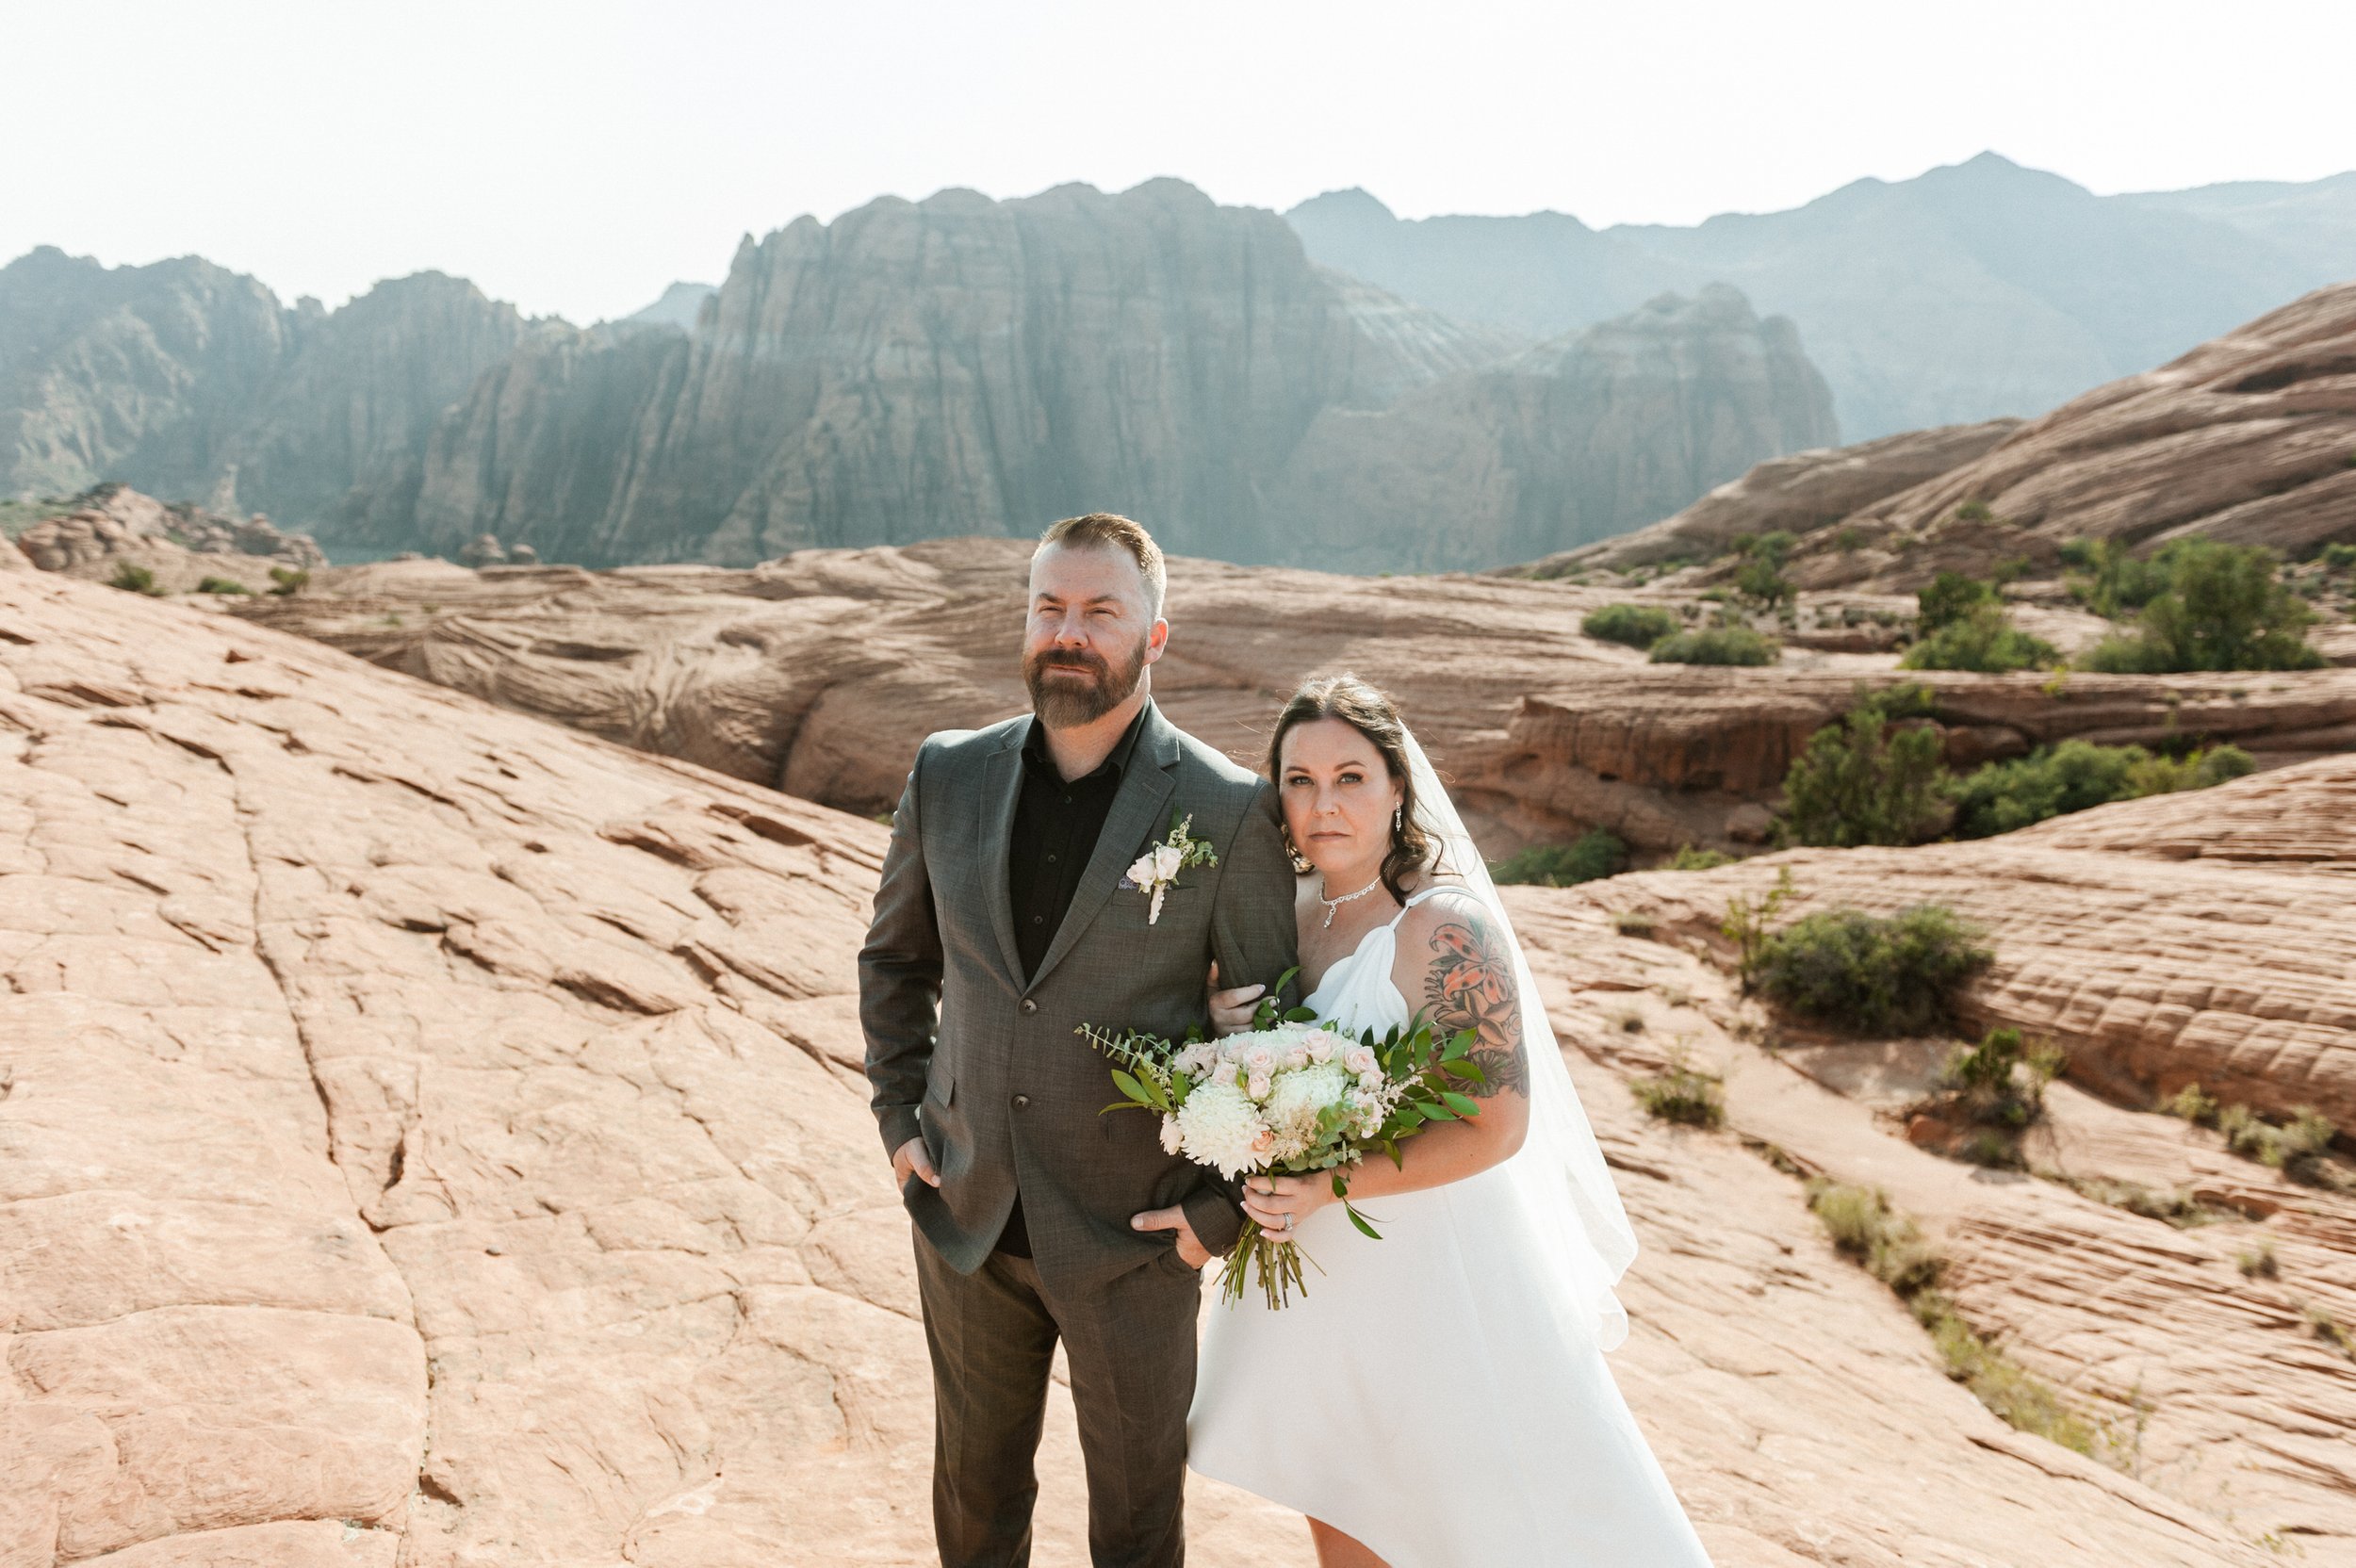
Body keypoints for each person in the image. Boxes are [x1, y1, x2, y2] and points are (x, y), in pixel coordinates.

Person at [1189, 673, 1713, 1568]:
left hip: (1430, 1272)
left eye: (1351, 777)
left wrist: (1326, 1186)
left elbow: (1496, 1124)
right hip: (1316, 1270)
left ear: (1399, 788)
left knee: (1475, 1526)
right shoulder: (1283, 910)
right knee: (1338, 1492)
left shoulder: (1446, 928)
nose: (1325, 804)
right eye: (1300, 780)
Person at [859, 513, 1299, 1568]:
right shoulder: (948, 772)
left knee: (1138, 1526)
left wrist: (1212, 1213)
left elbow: (1269, 1031)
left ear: (1154, 636)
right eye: (1049, 606)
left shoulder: (1227, 808)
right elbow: (895, 960)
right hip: (965, 1216)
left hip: (1135, 1242)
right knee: (973, 1498)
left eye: (1101, 611)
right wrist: (899, 1116)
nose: (1070, 630)